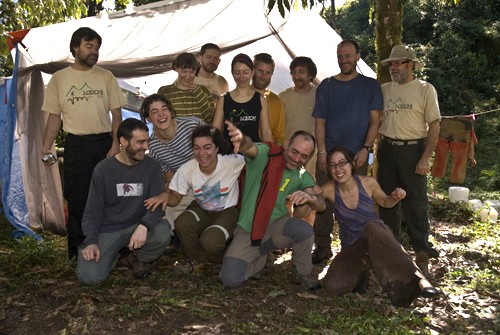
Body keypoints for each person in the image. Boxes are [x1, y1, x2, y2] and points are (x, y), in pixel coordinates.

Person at [315, 147, 439, 307]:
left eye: (342, 163)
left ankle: (419, 281)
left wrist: (394, 197)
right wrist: (312, 194)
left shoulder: (368, 183)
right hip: (353, 246)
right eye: (333, 165)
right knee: (333, 286)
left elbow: (385, 202)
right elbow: (315, 205)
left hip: (376, 235)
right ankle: (365, 265)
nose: (338, 169)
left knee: (372, 228)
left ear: (351, 164)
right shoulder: (329, 189)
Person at [41, 27, 126, 259]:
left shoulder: (106, 76)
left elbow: (117, 116)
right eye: (89, 46)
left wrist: (116, 145)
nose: (94, 51)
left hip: (104, 143)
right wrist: (45, 148)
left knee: (110, 197)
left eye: (97, 47)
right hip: (76, 145)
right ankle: (77, 251)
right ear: (76, 47)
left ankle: (112, 248)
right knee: (78, 198)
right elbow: (54, 118)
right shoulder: (59, 79)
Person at [219, 121, 326, 290]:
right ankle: (259, 259)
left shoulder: (302, 175)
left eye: (304, 156)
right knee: (230, 278)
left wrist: (310, 197)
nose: (297, 158)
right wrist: (241, 139)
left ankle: (302, 272)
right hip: (250, 228)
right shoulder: (266, 155)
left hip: (277, 226)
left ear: (309, 158)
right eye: (294, 151)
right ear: (286, 144)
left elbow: (321, 205)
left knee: (303, 230)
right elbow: (249, 147)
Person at [311, 39, 383, 264]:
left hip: (356, 155)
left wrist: (365, 148)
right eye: (340, 56)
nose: (344, 60)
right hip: (329, 155)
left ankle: (356, 247)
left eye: (348, 56)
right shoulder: (327, 86)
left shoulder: (370, 86)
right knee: (323, 197)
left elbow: (375, 121)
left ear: (358, 56)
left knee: (356, 201)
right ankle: (322, 245)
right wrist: (322, 153)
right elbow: (320, 122)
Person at [77, 119, 171, 285]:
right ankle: (114, 255)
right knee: (90, 277)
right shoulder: (103, 169)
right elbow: (92, 211)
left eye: (147, 141)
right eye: (140, 142)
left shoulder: (152, 167)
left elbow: (157, 206)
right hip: (109, 229)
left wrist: (144, 226)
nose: (146, 147)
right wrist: (91, 241)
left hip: (138, 226)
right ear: (123, 141)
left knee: (163, 232)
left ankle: (136, 257)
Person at [378, 45, 441, 278]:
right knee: (387, 201)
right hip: (386, 149)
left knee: (415, 203)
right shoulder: (384, 89)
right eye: (391, 64)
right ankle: (392, 252)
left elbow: (434, 124)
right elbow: (375, 120)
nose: (393, 67)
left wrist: (425, 157)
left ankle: (421, 254)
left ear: (411, 64)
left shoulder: (425, 89)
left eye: (398, 62)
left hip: (413, 150)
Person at [146, 125, 245, 268]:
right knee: (182, 223)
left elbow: (258, 162)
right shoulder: (188, 168)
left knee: (210, 241)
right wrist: (165, 197)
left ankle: (231, 258)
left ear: (217, 148)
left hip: (227, 211)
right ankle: (197, 260)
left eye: (207, 147)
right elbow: (176, 198)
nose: (201, 153)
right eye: (196, 148)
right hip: (202, 209)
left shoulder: (232, 162)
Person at [140, 94, 205, 230]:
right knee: (165, 209)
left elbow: (215, 146)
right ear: (148, 119)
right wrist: (167, 187)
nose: (161, 114)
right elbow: (170, 176)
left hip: (211, 175)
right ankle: (168, 239)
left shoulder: (192, 125)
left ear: (170, 111)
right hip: (186, 185)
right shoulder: (154, 147)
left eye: (164, 109)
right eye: (154, 112)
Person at [212, 53, 273, 153]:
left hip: (253, 155)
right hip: (229, 155)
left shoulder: (261, 99)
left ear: (252, 72)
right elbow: (215, 131)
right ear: (232, 73)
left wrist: (271, 156)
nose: (241, 77)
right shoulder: (224, 99)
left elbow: (266, 132)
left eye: (245, 72)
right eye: (237, 72)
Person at [279, 56, 318, 177]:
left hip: (312, 157)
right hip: (288, 155)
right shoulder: (283, 96)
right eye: (294, 73)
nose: (296, 76)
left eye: (301, 72)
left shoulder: (320, 95)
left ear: (311, 75)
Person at [158, 53, 215, 123]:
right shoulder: (165, 91)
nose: (188, 76)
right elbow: (161, 119)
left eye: (191, 72)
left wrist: (199, 95)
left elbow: (211, 119)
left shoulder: (204, 91)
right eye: (184, 71)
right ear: (176, 68)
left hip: (202, 133)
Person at [252, 53, 286, 146]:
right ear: (252, 70)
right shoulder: (238, 96)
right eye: (260, 71)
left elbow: (279, 136)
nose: (263, 77)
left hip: (265, 155)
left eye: (268, 73)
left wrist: (274, 154)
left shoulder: (276, 102)